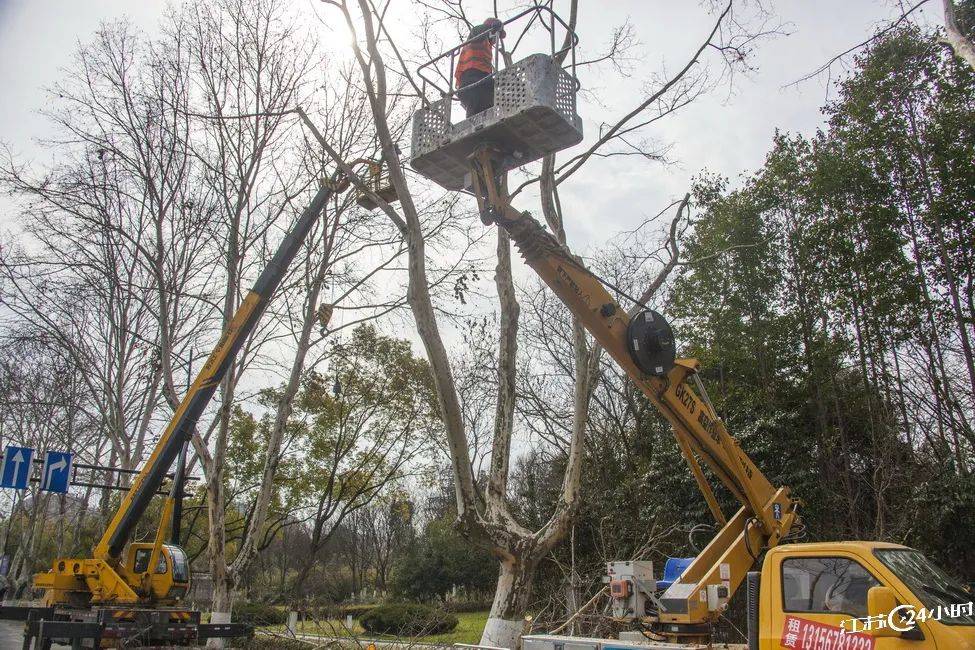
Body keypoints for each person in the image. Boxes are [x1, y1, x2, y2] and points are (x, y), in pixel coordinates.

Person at [455, 17, 505, 117]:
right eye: (496, 35)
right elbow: (476, 31)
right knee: (475, 106)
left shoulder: (487, 46)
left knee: (489, 105)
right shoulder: (478, 37)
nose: (496, 39)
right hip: (471, 79)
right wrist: (490, 27)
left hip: (481, 80)